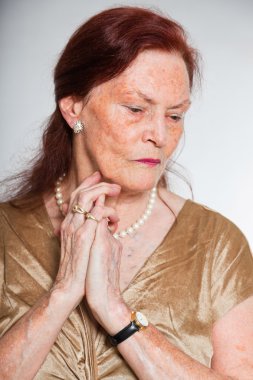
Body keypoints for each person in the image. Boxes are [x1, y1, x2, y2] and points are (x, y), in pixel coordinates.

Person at [0, 6, 253, 379]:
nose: (160, 136)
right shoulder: (5, 233)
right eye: (136, 109)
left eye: (174, 116)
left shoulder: (217, 244)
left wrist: (115, 311)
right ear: (73, 108)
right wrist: (63, 293)